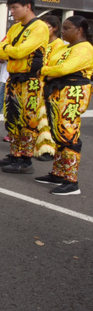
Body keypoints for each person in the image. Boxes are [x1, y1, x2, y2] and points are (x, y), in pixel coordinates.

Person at [0, 0, 49, 174]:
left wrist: (9, 51)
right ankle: (15, 154)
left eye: (15, 7)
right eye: (11, 8)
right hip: (13, 78)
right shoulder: (15, 28)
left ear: (28, 6)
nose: (12, 11)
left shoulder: (40, 27)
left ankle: (25, 160)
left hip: (31, 81)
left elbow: (19, 51)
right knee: (12, 118)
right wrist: (12, 51)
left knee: (28, 121)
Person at [37, 16, 93, 195]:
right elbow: (54, 64)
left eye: (67, 28)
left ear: (80, 30)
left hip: (72, 94)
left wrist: (46, 72)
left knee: (69, 136)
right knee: (59, 134)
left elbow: (61, 68)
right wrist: (51, 71)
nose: (63, 31)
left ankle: (71, 181)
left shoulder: (85, 48)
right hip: (59, 93)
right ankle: (58, 173)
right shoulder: (66, 47)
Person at [34, 15, 64, 161]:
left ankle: (49, 149)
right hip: (37, 84)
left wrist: (46, 74)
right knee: (38, 118)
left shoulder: (59, 45)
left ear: (55, 28)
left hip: (49, 85)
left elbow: (57, 68)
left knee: (48, 118)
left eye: (47, 27)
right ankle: (39, 147)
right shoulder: (42, 43)